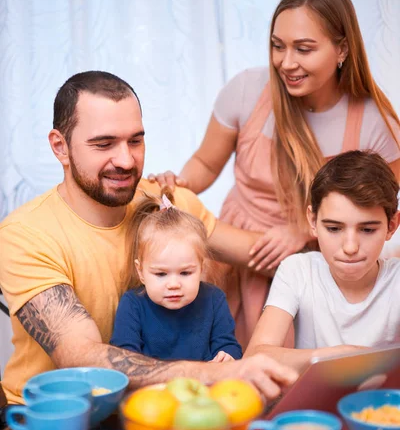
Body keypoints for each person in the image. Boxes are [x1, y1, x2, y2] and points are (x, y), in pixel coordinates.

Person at [0, 70, 297, 405]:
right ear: (60, 147)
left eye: (135, 141)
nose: (126, 160)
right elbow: (82, 358)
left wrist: (305, 230)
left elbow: (268, 256)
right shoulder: (24, 235)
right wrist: (217, 373)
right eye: (104, 144)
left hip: (169, 410)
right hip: (51, 421)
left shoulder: (169, 204)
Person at [149, 0, 400, 349]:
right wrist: (179, 181)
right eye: (277, 46)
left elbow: (380, 207)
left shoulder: (375, 123)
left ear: (342, 48)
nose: (286, 62)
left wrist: (304, 229)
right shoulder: (247, 90)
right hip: (235, 256)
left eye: (304, 48)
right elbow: (205, 161)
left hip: (313, 259)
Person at [245, 150, 400, 371]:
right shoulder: (297, 270)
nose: (350, 247)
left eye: (367, 229)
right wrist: (338, 356)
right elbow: (256, 356)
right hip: (312, 405)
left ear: (392, 226)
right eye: (334, 228)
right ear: (313, 221)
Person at [110, 191, 242, 362]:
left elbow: (229, 345)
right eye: (161, 274)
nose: (173, 284)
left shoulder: (214, 299)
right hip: (151, 387)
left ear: (201, 267)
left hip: (204, 386)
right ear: (141, 271)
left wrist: (227, 356)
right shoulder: (133, 304)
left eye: (185, 273)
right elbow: (123, 355)